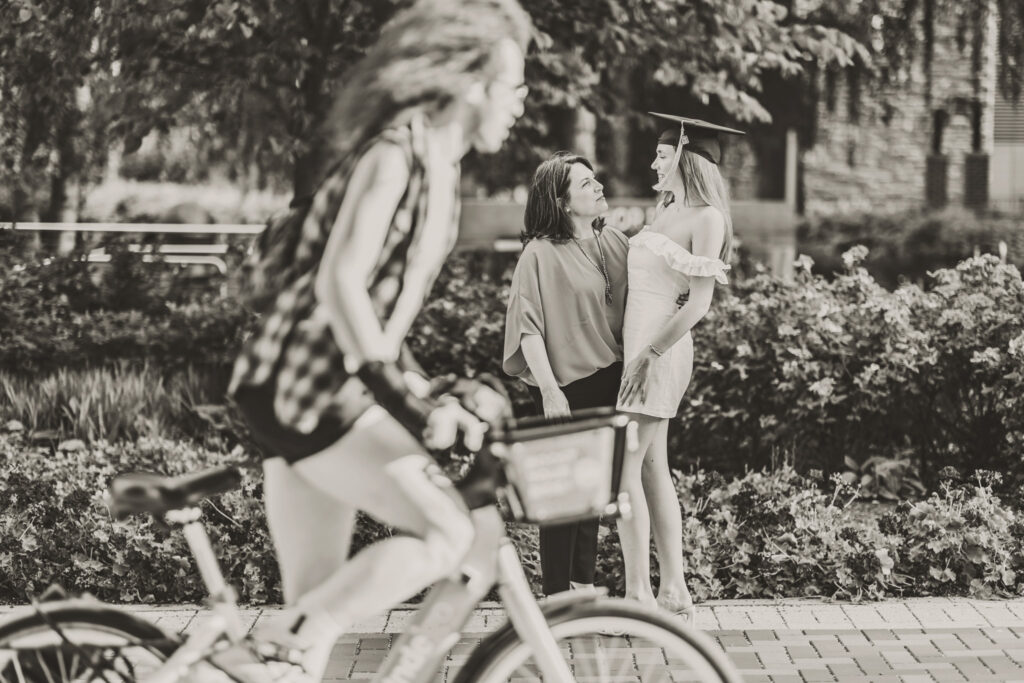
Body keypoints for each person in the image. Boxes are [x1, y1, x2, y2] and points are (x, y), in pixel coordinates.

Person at [224, 1, 532, 680]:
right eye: (513, 84)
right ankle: (281, 633)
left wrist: (419, 387)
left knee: (302, 638)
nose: (521, 101)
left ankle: (282, 640)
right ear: (468, 82)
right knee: (447, 531)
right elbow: (342, 283)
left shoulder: (441, 168)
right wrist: (404, 400)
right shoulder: (397, 154)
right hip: (310, 388)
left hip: (299, 387)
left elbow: (380, 321)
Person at [615, 112, 742, 626]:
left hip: (660, 352)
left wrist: (650, 355)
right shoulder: (665, 209)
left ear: (685, 155)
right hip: (638, 350)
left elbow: (698, 304)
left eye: (662, 155)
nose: (654, 161)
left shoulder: (706, 217)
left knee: (624, 470)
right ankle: (673, 591)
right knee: (649, 468)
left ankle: (637, 595)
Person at [502, 152, 629, 596]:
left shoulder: (614, 241)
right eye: (585, 184)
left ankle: (583, 587)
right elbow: (528, 329)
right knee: (563, 497)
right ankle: (557, 595)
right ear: (562, 201)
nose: (597, 187)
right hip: (565, 386)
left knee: (593, 495)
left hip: (612, 379)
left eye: (596, 179)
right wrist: (552, 393)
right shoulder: (538, 254)